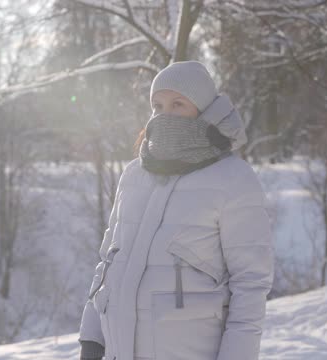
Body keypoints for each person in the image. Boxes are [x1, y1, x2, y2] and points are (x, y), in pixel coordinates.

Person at [78, 60, 275, 360]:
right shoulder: (133, 175)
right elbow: (108, 260)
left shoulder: (234, 178)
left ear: (203, 109)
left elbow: (250, 285)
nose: (164, 114)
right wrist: (91, 340)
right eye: (158, 106)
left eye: (178, 104)